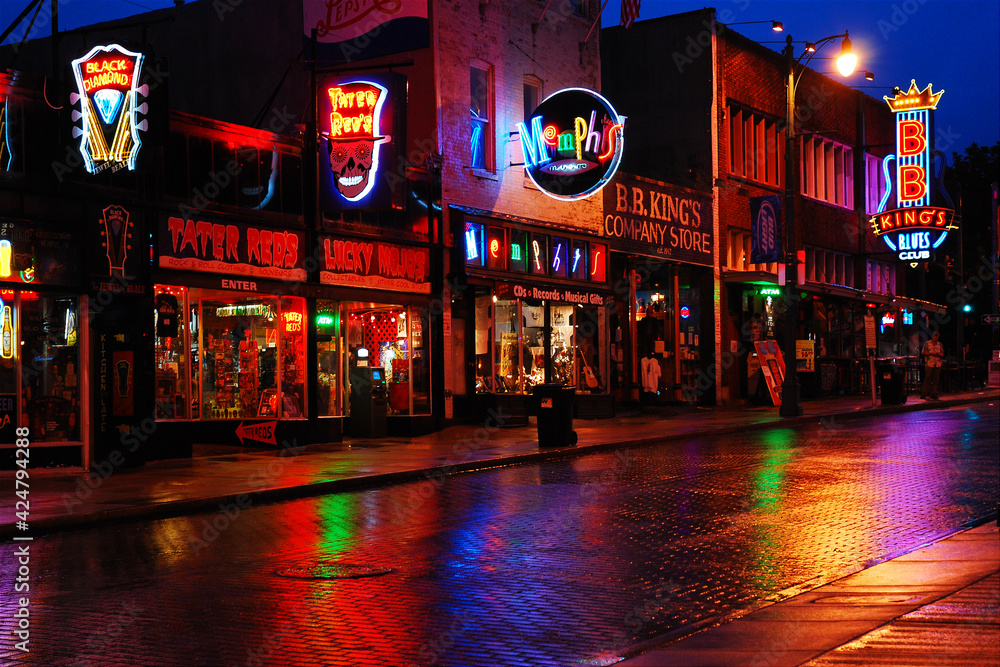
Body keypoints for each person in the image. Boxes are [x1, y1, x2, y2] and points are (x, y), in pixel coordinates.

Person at [920, 331, 944, 399]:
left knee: (936, 379)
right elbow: (923, 352)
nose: (936, 338)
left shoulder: (940, 344)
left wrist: (938, 354)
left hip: (937, 363)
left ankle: (934, 393)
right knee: (928, 378)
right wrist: (931, 353)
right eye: (935, 336)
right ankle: (924, 393)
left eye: (937, 336)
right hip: (929, 363)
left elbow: (942, 354)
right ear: (932, 336)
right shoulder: (927, 343)